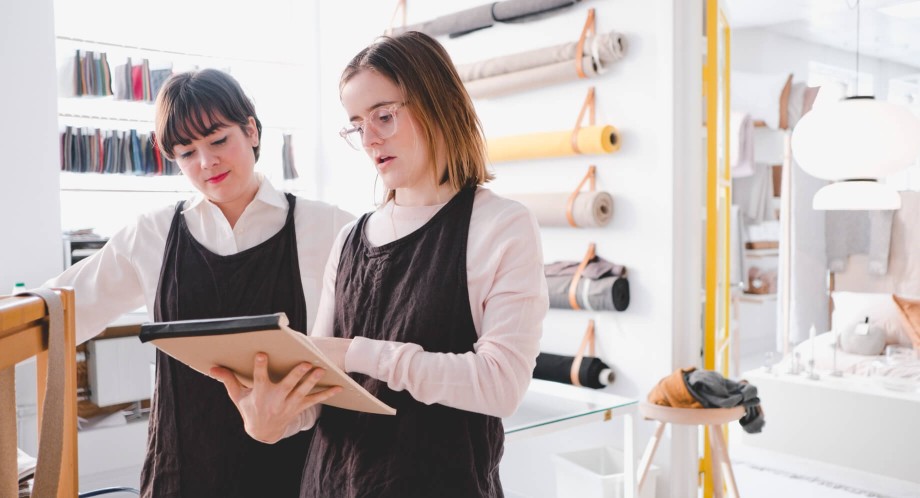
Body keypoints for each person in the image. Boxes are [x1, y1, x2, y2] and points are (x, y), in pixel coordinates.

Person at [210, 31, 549, 497]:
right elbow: (319, 390)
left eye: (384, 117)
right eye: (356, 124)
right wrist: (270, 421)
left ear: (437, 103)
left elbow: (500, 386)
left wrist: (354, 353)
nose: (369, 139)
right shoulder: (350, 239)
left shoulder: (501, 226)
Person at [45, 68, 354, 497]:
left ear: (251, 131)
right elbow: (61, 309)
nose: (206, 162)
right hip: (182, 472)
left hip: (298, 469)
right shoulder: (151, 234)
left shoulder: (330, 227)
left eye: (218, 140)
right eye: (186, 152)